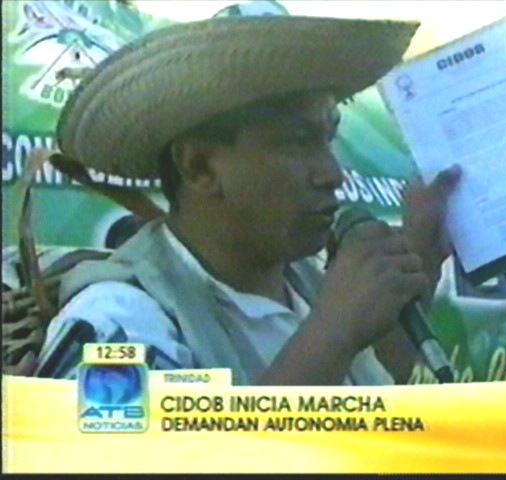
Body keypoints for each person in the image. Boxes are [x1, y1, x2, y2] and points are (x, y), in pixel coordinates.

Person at [36, 8, 462, 385]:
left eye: (328, 139)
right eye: (299, 140)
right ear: (200, 167)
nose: (332, 174)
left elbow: (368, 388)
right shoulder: (117, 322)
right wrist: (334, 331)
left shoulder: (306, 286)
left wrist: (422, 254)